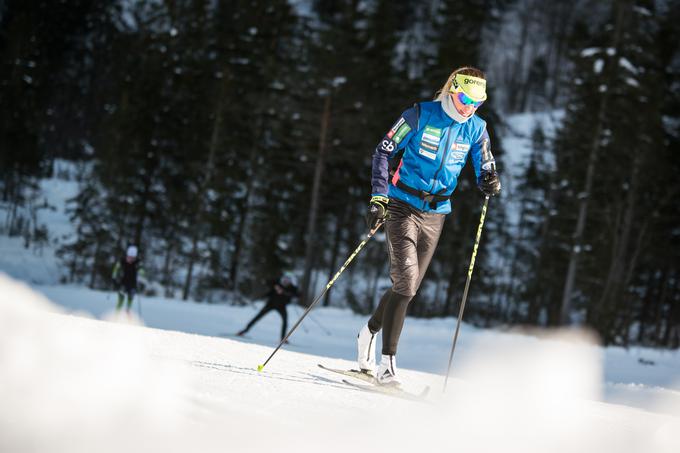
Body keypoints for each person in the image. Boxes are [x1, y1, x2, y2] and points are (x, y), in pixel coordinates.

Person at [357, 66, 501, 386]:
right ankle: (387, 365)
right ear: (452, 90)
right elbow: (383, 151)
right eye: (465, 98)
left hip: (437, 213)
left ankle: (367, 332)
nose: (469, 107)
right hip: (401, 205)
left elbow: (486, 164)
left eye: (478, 102)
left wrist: (489, 179)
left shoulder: (476, 128)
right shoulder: (420, 114)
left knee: (406, 289)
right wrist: (378, 198)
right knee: (406, 283)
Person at [237, 274, 299, 341]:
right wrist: (275, 286)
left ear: (290, 282)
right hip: (271, 304)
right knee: (258, 316)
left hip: (281, 306)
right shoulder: (277, 283)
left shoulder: (292, 288)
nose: (286, 282)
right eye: (284, 280)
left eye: (287, 281)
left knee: (285, 321)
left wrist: (283, 292)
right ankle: (244, 330)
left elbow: (296, 295)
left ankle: (283, 338)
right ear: (282, 280)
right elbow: (267, 282)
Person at [112, 245, 145, 313]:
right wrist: (114, 277)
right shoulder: (122, 261)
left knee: (130, 298)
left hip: (132, 283)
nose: (130, 259)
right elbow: (116, 269)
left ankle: (127, 311)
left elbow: (143, 272)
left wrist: (141, 271)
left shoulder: (138, 263)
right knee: (121, 298)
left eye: (133, 258)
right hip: (123, 282)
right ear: (127, 255)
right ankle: (117, 312)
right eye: (129, 257)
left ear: (135, 257)